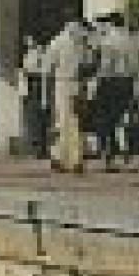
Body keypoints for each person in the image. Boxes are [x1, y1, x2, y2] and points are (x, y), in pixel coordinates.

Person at [91, 14, 139, 171]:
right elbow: (136, 66)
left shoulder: (108, 41)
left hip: (110, 81)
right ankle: (127, 155)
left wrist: (96, 82)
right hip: (128, 82)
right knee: (124, 118)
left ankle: (109, 156)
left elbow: (106, 65)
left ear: (110, 24)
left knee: (106, 120)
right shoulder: (132, 41)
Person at [44, 18, 95, 175]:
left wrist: (45, 93)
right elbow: (90, 64)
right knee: (75, 122)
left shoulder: (57, 42)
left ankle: (63, 157)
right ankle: (74, 157)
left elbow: (48, 68)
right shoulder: (84, 43)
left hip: (63, 83)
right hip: (78, 84)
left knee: (63, 122)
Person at [20, 34, 49, 161]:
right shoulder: (34, 52)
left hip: (34, 86)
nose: (26, 41)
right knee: (34, 118)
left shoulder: (38, 53)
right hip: (32, 86)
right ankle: (37, 147)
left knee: (35, 117)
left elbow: (34, 70)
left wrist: (26, 72)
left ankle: (37, 148)